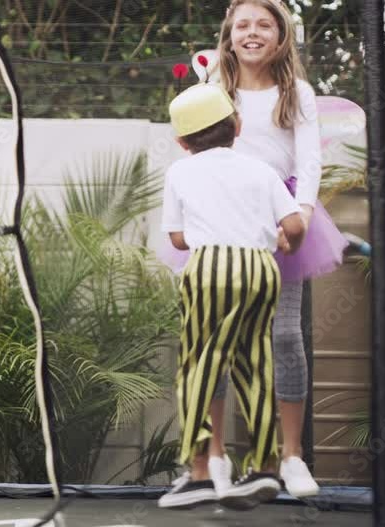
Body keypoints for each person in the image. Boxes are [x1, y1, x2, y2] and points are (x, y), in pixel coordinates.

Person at [206, 0, 349, 499]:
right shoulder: (213, 90)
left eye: (263, 24)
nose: (252, 32)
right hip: (223, 220)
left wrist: (303, 214)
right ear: (229, 35)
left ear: (281, 36)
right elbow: (199, 151)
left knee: (285, 335)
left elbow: (309, 161)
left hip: (282, 218)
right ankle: (215, 456)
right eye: (242, 24)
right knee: (217, 338)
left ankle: (293, 458)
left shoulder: (298, 92)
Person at [156, 83, 307, 511]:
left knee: (199, 364)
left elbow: (179, 239)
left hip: (211, 269)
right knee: (254, 362)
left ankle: (201, 472)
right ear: (236, 127)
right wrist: (286, 243)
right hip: (261, 268)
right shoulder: (261, 170)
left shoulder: (179, 172)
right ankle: (263, 467)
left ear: (182, 142)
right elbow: (294, 225)